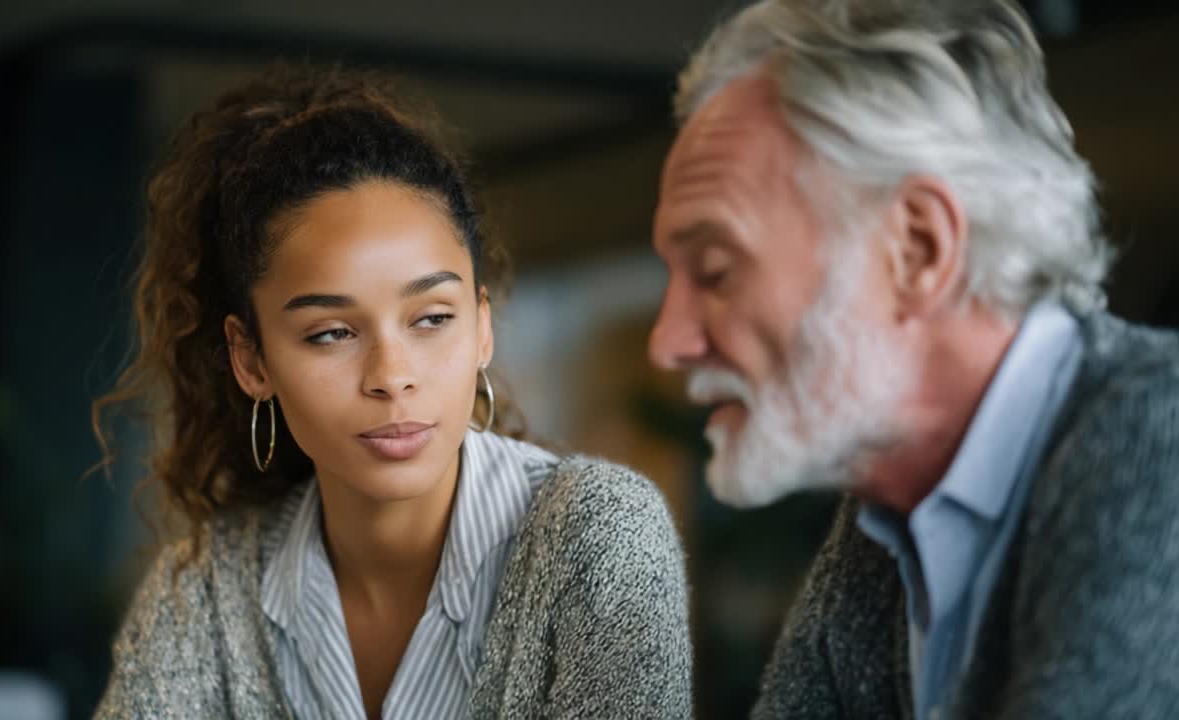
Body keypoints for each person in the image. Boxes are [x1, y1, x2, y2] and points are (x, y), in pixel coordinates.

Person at [93, 64, 691, 719]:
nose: (392, 375)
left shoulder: (599, 533)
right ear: (251, 358)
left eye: (432, 319)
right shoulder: (206, 591)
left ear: (482, 327)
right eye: (330, 333)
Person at [648, 0, 1179, 718]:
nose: (669, 341)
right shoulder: (882, 522)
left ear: (918, 250)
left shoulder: (1159, 441)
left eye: (715, 272)